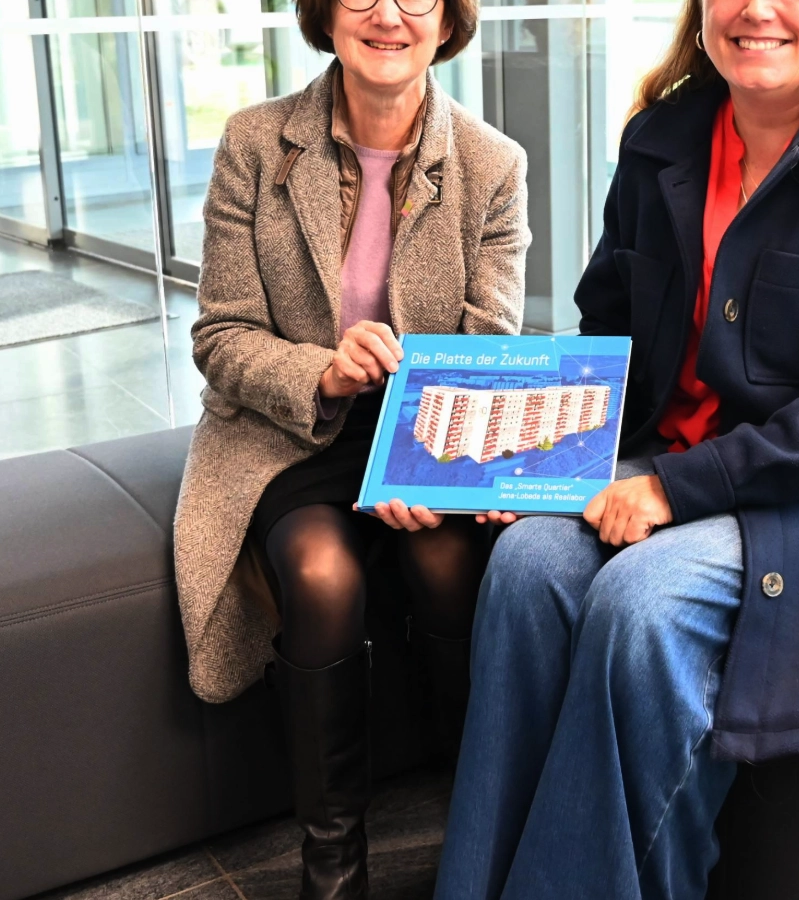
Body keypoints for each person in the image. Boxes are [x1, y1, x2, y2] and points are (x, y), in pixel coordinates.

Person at [435, 0, 799, 896]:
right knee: (527, 564)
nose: (755, 10)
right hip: (679, 461)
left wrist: (675, 490)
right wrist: (541, 460)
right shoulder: (664, 138)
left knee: (642, 602)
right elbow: (608, 322)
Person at [170, 0, 529, 891]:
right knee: (323, 576)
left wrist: (420, 459)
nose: (389, 15)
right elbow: (221, 335)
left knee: (451, 563)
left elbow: (491, 348)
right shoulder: (256, 143)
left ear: (447, 21)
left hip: (426, 438)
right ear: (325, 15)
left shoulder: (493, 165)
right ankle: (331, 863)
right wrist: (323, 373)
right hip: (292, 438)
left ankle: (473, 822)